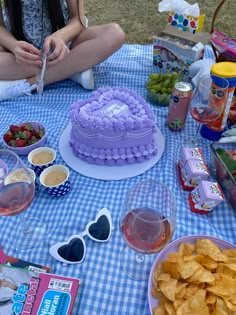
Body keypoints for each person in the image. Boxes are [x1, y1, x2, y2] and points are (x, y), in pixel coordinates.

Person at [0, 0, 125, 101]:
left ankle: (29, 84)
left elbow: (78, 20)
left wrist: (60, 37)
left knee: (114, 34)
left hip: (66, 45)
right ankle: (72, 70)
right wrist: (14, 45)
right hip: (23, 54)